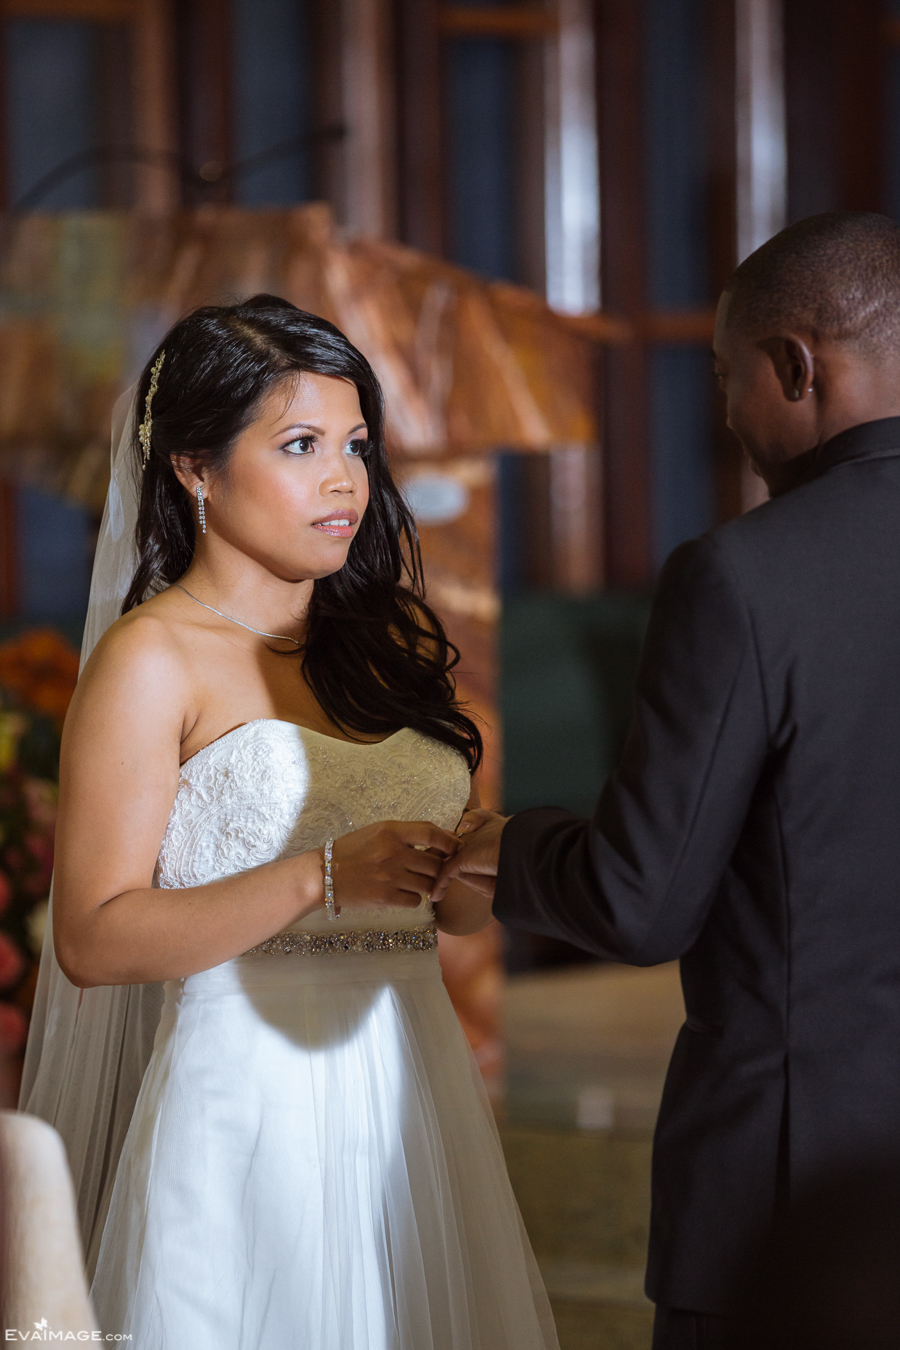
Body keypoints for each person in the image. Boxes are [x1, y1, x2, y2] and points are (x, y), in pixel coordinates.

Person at [19, 295, 559, 1350]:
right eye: (301, 445)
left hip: (414, 1092)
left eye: (356, 445)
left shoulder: (387, 639)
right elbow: (91, 938)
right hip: (244, 1110)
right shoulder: (153, 660)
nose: (345, 480)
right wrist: (320, 876)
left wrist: (465, 866)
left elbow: (447, 928)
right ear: (195, 467)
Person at [437, 212, 900, 1349]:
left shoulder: (743, 576)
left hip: (786, 1191)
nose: (731, 414)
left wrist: (500, 841)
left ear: (798, 364)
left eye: (727, 375)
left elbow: (641, 901)